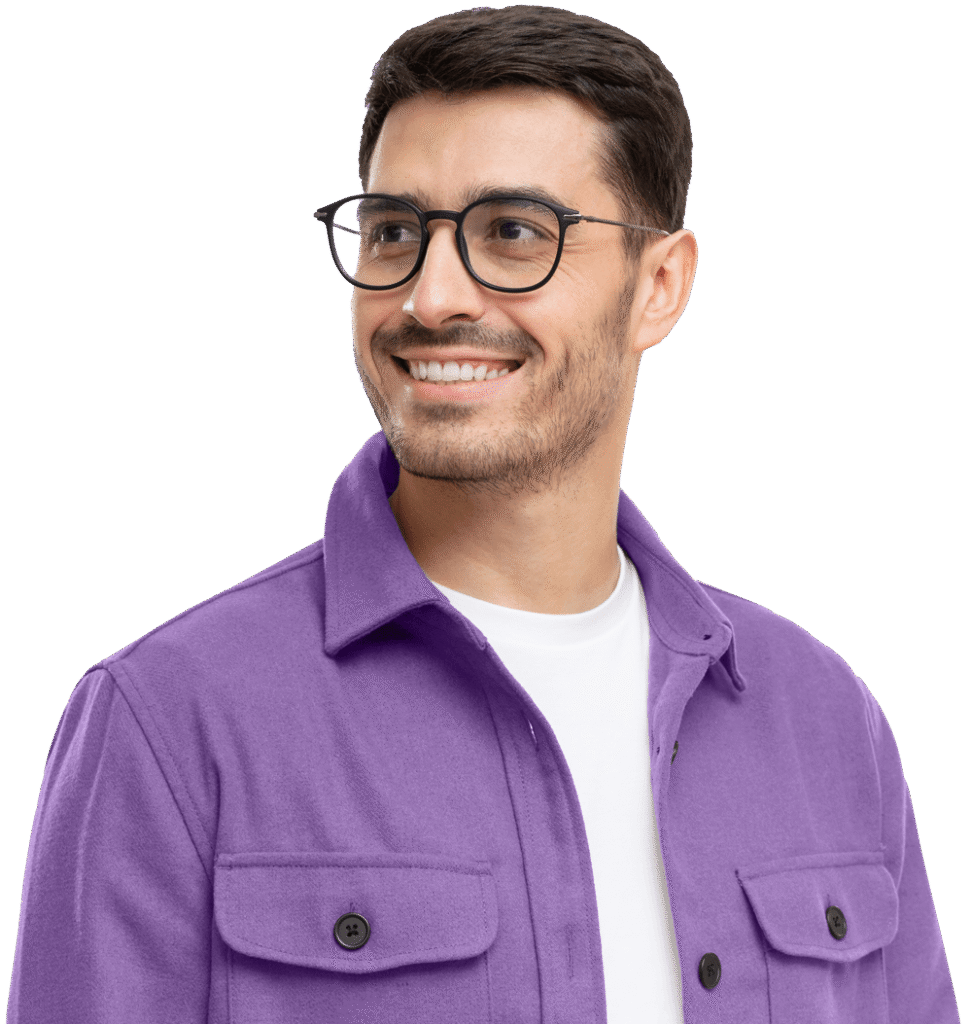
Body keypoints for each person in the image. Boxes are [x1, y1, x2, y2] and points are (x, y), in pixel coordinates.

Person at [6, 6, 960, 1023]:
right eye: (393, 233)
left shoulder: (826, 720)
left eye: (512, 233)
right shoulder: (169, 719)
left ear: (660, 285)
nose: (430, 298)